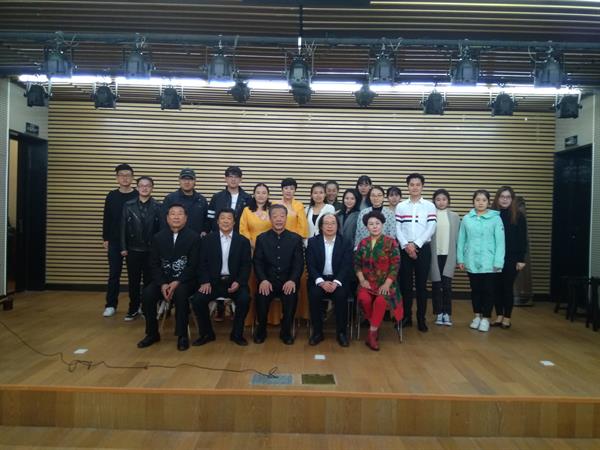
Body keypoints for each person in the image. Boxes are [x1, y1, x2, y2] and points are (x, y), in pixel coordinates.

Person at [137, 204, 201, 351]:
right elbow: (153, 264)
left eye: (180, 214)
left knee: (181, 293)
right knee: (147, 294)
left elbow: (193, 265)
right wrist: (163, 284)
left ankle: (182, 335)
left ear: (186, 218)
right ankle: (152, 333)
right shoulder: (158, 237)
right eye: (172, 214)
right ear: (167, 218)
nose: (176, 217)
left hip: (185, 280)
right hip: (163, 280)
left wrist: (177, 281)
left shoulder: (194, 237)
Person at [191, 208, 252, 346]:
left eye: (229, 218)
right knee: (198, 300)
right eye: (222, 218)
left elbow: (246, 265)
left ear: (234, 222)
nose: (225, 221)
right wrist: (205, 281)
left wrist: (239, 282)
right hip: (212, 282)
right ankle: (207, 333)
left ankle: (237, 334)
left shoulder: (242, 241)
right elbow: (201, 263)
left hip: (234, 282)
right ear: (217, 221)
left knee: (244, 299)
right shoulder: (207, 240)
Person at [253, 204, 304, 345]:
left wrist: (292, 280)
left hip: (288, 281)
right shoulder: (262, 238)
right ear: (270, 219)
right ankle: (261, 330)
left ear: (286, 218)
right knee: (261, 297)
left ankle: (286, 332)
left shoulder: (295, 239)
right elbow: (257, 262)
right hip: (268, 281)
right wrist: (263, 280)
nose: (279, 219)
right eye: (275, 216)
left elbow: (298, 264)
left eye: (282, 216)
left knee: (291, 297)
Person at [457, 190, 505, 333]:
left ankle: (486, 318)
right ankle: (477, 316)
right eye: (478, 200)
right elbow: (461, 240)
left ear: (488, 202)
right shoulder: (467, 219)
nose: (480, 203)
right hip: (471, 260)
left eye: (484, 200)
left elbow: (500, 242)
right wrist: (460, 259)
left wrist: (498, 262)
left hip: (490, 262)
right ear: (473, 201)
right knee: (475, 290)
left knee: (488, 291)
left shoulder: (496, 219)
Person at [354, 210, 403, 351]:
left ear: (382, 225)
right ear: (366, 227)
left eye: (377, 223)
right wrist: (362, 280)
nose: (374, 226)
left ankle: (372, 334)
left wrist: (387, 284)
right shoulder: (363, 243)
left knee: (381, 301)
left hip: (386, 283)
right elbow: (356, 264)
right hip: (367, 283)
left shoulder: (391, 242)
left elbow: (395, 266)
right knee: (364, 299)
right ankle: (374, 325)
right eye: (371, 224)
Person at [395, 173, 437, 332]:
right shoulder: (401, 206)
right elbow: (398, 228)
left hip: (423, 248)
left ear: (422, 186)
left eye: (418, 184)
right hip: (404, 249)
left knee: (421, 286)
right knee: (405, 285)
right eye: (411, 184)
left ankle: (421, 319)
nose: (414, 187)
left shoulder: (429, 206)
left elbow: (431, 228)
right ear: (408, 186)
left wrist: (416, 244)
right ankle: (406, 317)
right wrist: (406, 245)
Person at [306, 213, 352, 347]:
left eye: (333, 223)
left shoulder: (345, 242)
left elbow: (347, 265)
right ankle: (317, 333)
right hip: (319, 279)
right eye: (326, 223)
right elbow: (310, 265)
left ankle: (341, 333)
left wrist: (336, 282)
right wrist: (321, 282)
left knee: (341, 296)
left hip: (338, 280)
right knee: (314, 295)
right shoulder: (313, 242)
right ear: (321, 226)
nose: (330, 226)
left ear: (338, 226)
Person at [120, 176, 162, 321]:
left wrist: (159, 250)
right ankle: (133, 308)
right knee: (133, 281)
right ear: (137, 188)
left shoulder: (158, 206)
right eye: (142, 185)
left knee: (149, 282)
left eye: (148, 185)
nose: (144, 188)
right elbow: (122, 227)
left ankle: (146, 309)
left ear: (152, 188)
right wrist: (123, 247)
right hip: (133, 249)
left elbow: (161, 230)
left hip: (151, 251)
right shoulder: (128, 205)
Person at [102, 163, 138, 317]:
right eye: (122, 175)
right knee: (114, 274)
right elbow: (107, 218)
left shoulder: (138, 195)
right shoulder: (111, 196)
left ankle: (135, 306)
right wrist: (105, 238)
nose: (125, 178)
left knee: (134, 276)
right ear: (117, 178)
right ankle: (111, 305)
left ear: (132, 177)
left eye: (128, 175)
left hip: (133, 241)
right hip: (115, 241)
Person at [491, 186, 528, 329]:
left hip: (512, 258)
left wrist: (521, 259)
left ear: (512, 199)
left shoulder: (518, 216)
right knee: (496, 288)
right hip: (494, 257)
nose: (505, 199)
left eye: (508, 197)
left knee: (507, 287)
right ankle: (499, 315)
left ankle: (507, 317)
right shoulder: (492, 215)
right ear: (497, 198)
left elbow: (522, 239)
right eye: (502, 196)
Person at [429, 189, 460, 326]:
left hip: (449, 255)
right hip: (434, 255)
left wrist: (459, 258)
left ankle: (447, 313)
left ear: (448, 201)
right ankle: (438, 313)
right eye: (438, 199)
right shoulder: (430, 215)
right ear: (434, 201)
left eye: (444, 199)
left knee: (447, 285)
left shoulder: (455, 216)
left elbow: (458, 238)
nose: (441, 202)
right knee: (436, 285)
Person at [162, 168, 209, 236]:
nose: (187, 182)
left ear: (195, 181)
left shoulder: (202, 200)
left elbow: (207, 221)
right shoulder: (170, 199)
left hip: (197, 239)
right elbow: (163, 221)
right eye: (184, 179)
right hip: (175, 239)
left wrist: (205, 231)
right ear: (179, 181)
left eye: (190, 179)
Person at [207, 166, 251, 233]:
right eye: (230, 176)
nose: (233, 179)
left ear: (240, 179)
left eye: (236, 177)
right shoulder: (217, 197)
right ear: (225, 179)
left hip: (240, 235)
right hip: (219, 234)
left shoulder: (247, 198)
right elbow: (210, 217)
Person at [239, 183, 272, 250]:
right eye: (258, 193)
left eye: (264, 193)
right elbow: (243, 229)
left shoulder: (273, 210)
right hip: (250, 246)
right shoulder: (247, 210)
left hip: (270, 246)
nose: (261, 195)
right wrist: (251, 243)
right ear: (254, 194)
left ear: (268, 195)